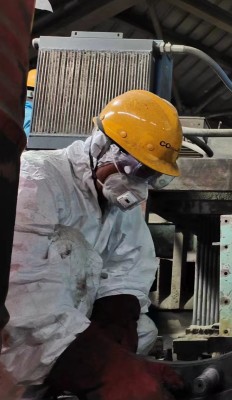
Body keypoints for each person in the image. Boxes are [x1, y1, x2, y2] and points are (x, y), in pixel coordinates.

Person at [1, 89, 184, 399]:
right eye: (137, 170)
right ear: (103, 147)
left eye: (152, 176)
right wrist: (103, 369)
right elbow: (21, 291)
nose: (140, 185)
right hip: (16, 342)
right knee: (70, 245)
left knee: (144, 330)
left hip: (68, 335)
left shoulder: (118, 205)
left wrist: (116, 324)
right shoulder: (36, 179)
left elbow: (129, 266)